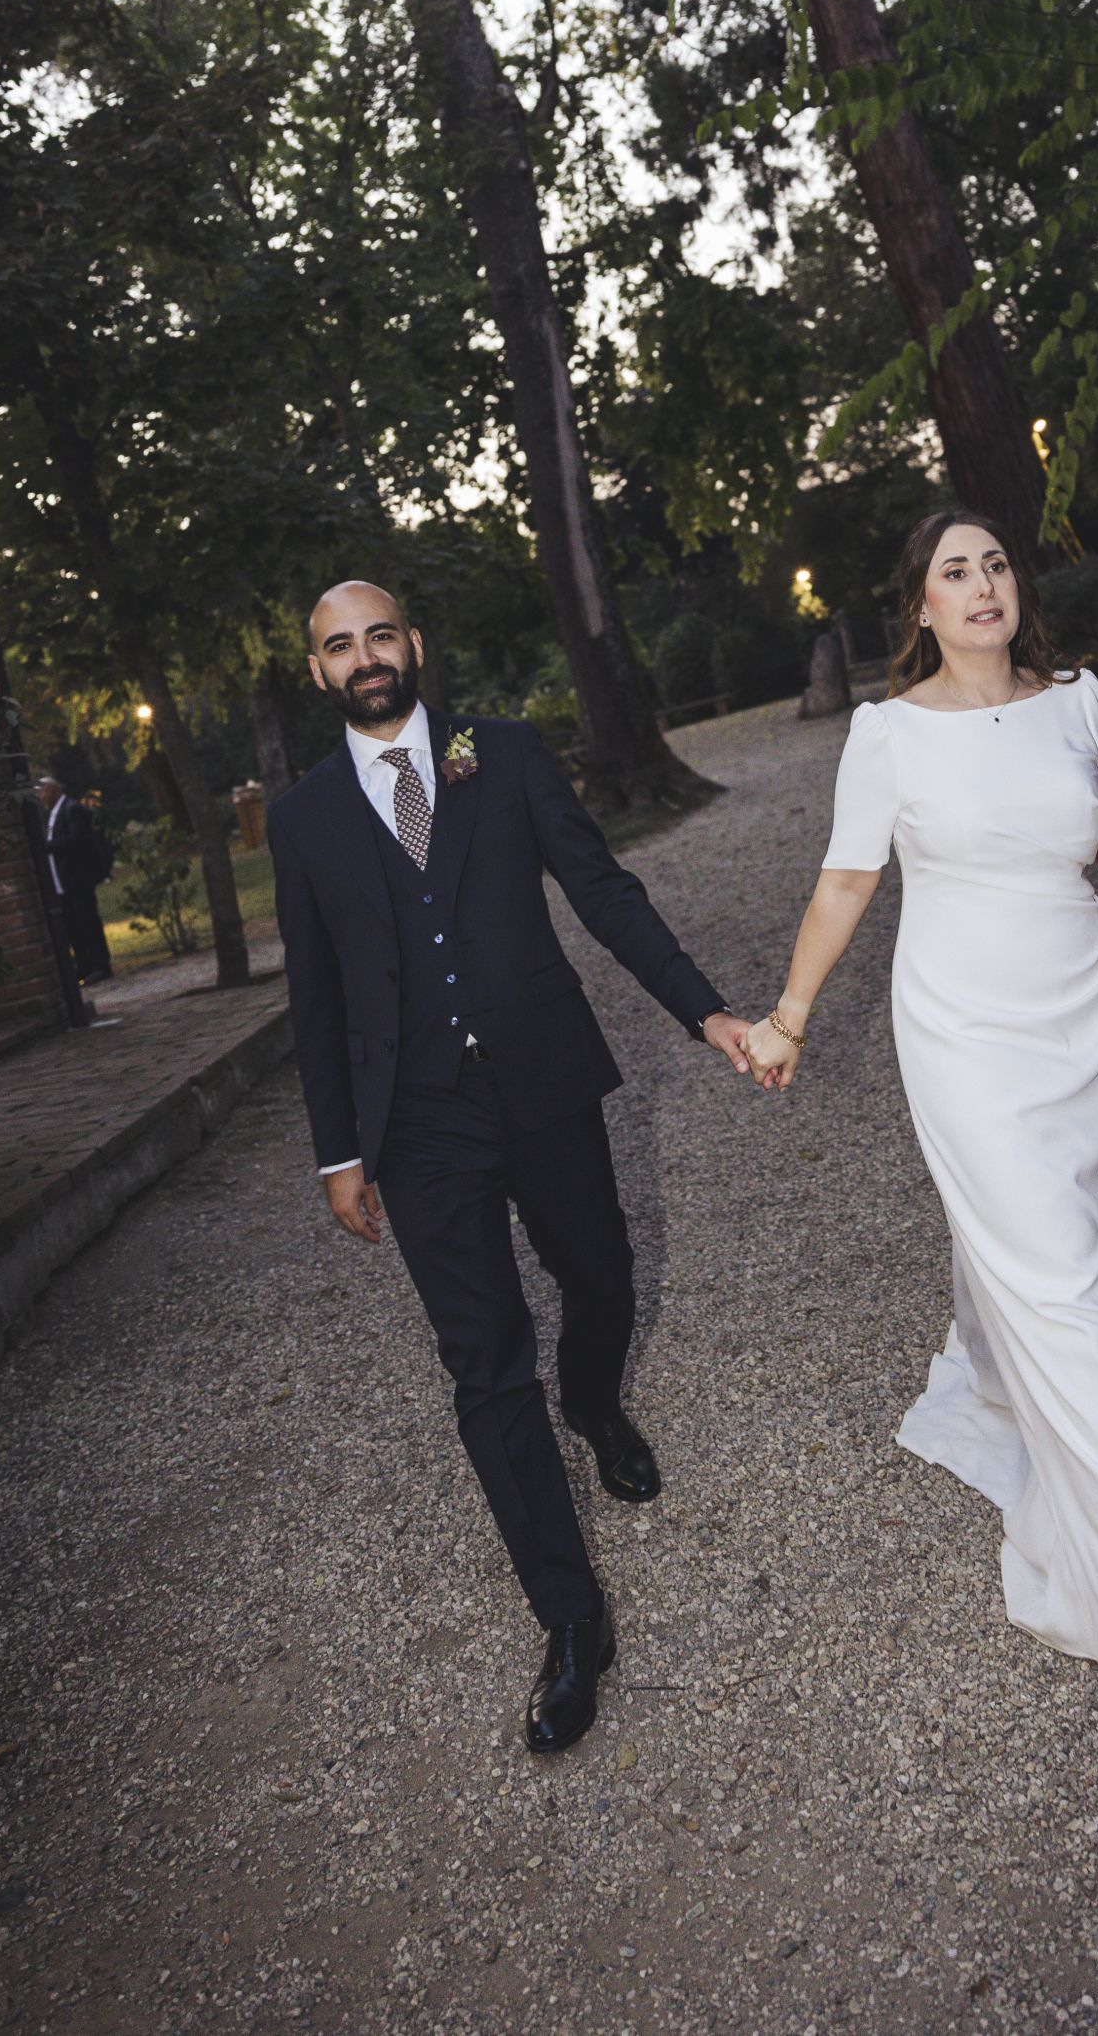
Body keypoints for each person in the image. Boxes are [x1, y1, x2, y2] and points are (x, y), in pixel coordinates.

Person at [743, 510, 1098, 1702]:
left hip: (1081, 1020)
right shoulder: (886, 734)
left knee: (1074, 1256)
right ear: (921, 608)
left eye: (995, 565)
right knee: (1063, 1274)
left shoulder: (1080, 703)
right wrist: (789, 1017)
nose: (982, 584)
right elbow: (846, 880)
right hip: (960, 1032)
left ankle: (997, 1375)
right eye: (954, 571)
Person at [268, 581, 758, 1754]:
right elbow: (316, 997)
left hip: (541, 1080)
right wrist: (340, 1152)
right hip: (417, 1125)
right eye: (340, 645)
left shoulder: (511, 754)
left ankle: (595, 1399)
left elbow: (605, 895)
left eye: (380, 635)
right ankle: (572, 1614)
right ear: (319, 670)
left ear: (414, 645)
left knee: (602, 1280)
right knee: (485, 1367)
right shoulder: (303, 818)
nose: (366, 657)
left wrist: (708, 1016)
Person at [35, 772, 113, 985]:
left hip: (78, 877)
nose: (40, 796)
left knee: (88, 921)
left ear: (52, 790)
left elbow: (77, 840)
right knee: (73, 925)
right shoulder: (53, 812)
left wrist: (47, 847)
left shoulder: (72, 808)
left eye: (42, 792)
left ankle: (101, 965)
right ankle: (84, 966)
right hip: (63, 881)